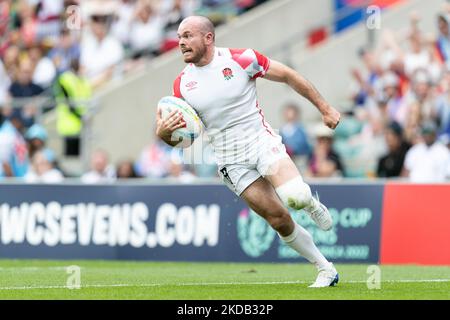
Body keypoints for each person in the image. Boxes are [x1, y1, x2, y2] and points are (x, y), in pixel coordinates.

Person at [155, 16, 341, 287]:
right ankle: (326, 269)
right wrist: (164, 135)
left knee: (296, 197)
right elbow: (184, 140)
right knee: (278, 219)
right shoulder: (181, 85)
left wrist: (325, 108)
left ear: (208, 38)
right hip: (230, 160)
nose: (181, 42)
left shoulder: (241, 59)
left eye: (188, 35)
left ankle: (311, 203)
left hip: (261, 143)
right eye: (179, 37)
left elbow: (288, 75)